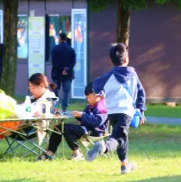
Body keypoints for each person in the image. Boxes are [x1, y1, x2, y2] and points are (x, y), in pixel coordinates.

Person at [87, 43, 146, 174]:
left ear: (111, 60)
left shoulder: (108, 76)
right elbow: (142, 92)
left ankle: (125, 165)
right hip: (126, 112)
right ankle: (104, 147)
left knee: (121, 136)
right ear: (126, 58)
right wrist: (141, 110)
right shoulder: (133, 75)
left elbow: (95, 86)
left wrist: (103, 92)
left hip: (112, 113)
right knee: (118, 138)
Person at [41, 84, 108, 161]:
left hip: (96, 131)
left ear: (97, 95)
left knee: (66, 128)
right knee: (59, 127)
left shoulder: (102, 107)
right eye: (87, 97)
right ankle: (50, 153)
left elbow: (97, 121)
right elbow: (86, 117)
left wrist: (82, 115)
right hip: (87, 128)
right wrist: (78, 116)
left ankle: (77, 154)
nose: (88, 99)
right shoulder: (91, 105)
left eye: (89, 97)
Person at [50, 33, 77, 111]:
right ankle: (64, 108)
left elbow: (54, 62)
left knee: (55, 90)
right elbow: (73, 62)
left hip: (57, 73)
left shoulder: (55, 49)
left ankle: (55, 107)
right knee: (66, 92)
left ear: (60, 39)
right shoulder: (71, 50)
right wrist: (66, 69)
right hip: (68, 74)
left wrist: (61, 69)